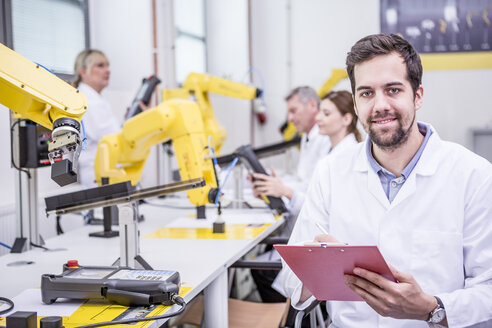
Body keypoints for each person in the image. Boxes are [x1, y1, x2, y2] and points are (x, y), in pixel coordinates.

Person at [283, 33, 492, 327]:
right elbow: (292, 282)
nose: (380, 105)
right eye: (367, 93)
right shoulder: (330, 172)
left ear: (417, 95)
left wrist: (431, 309)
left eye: (393, 90)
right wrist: (322, 266)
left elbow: (488, 287)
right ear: (355, 104)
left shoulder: (474, 175)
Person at [247, 86, 332, 304]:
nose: (291, 119)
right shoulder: (308, 139)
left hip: (317, 236)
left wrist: (283, 189)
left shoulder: (327, 142)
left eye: (294, 111)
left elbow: (318, 199)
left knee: (260, 267)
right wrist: (274, 185)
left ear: (313, 105)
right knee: (266, 250)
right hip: (301, 228)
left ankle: (286, 317)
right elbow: (305, 182)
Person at [73, 49, 120, 188]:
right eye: (100, 66)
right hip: (99, 175)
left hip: (103, 172)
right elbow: (113, 138)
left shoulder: (94, 98)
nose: (107, 70)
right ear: (83, 72)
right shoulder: (88, 101)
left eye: (107, 65)